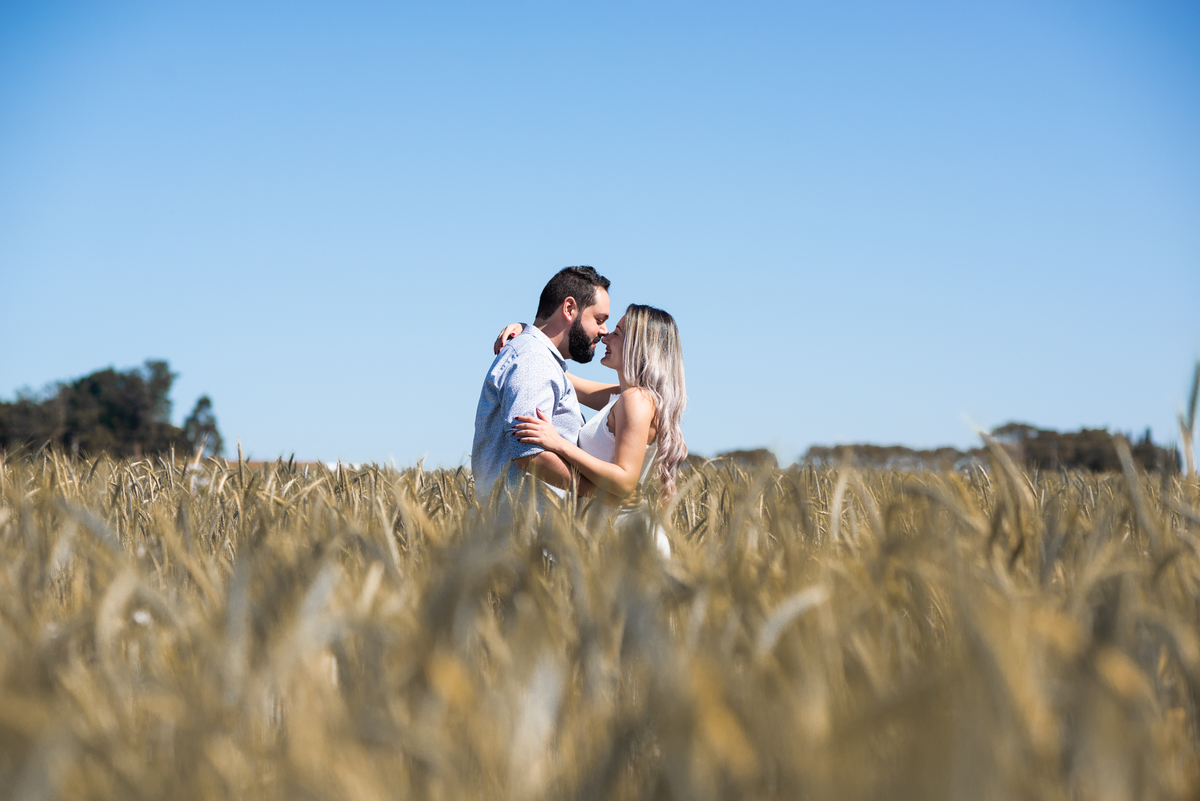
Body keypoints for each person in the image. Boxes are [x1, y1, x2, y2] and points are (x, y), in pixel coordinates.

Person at [501, 304, 687, 554]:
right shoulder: (623, 397)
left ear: (638, 347)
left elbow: (624, 480)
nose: (605, 336)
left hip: (628, 541)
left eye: (617, 334)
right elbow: (560, 376)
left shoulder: (636, 400)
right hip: (610, 536)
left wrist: (558, 443)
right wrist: (528, 334)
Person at [471, 266, 611, 504]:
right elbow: (530, 454)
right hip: (520, 532)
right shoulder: (533, 359)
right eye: (599, 319)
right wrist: (602, 494)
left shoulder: (537, 357)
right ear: (569, 309)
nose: (604, 331)